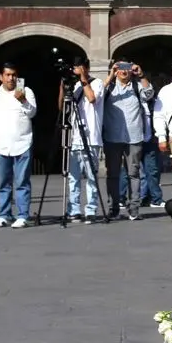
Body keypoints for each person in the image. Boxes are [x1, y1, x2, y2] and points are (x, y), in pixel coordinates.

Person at [0, 62, 37, 228]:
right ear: (1, 77)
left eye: (14, 75)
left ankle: (23, 215)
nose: (11, 78)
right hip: (0, 146)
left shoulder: (26, 91)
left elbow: (32, 112)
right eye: (8, 75)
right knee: (3, 183)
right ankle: (4, 214)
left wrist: (23, 101)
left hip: (22, 143)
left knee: (22, 182)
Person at [101, 61, 153, 221]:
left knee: (134, 174)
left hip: (134, 137)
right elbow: (96, 95)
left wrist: (142, 75)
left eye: (127, 69)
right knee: (113, 175)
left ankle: (134, 209)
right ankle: (114, 208)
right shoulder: (109, 87)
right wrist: (110, 74)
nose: (124, 72)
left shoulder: (137, 87)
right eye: (120, 69)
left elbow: (149, 94)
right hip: (112, 137)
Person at [65, 57, 104, 224]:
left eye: (80, 67)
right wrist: (62, 86)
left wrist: (83, 79)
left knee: (91, 177)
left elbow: (92, 98)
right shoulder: (73, 85)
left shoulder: (97, 83)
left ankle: (91, 209)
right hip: (75, 137)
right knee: (73, 177)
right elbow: (62, 106)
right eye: (75, 67)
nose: (77, 70)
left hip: (91, 137)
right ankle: (74, 210)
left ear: (86, 68)